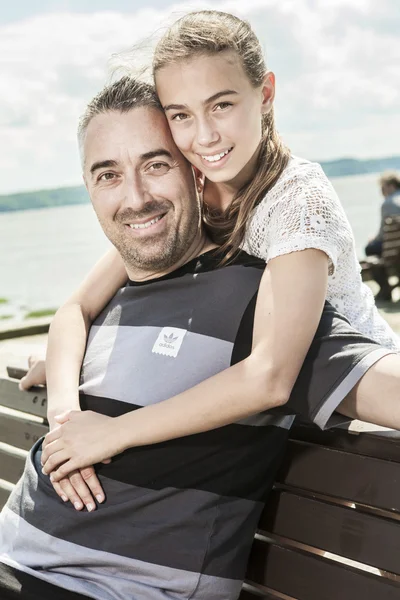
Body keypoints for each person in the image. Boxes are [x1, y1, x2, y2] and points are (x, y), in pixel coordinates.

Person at [0, 75, 399, 600]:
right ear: (89, 187)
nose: (135, 198)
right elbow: (72, 314)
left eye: (156, 165)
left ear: (196, 172)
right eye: (109, 175)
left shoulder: (264, 301)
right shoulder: (110, 296)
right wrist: (64, 389)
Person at [365, 171, 400, 301]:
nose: (381, 192)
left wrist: (373, 240)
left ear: (391, 186)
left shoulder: (388, 203)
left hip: (395, 251)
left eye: (382, 187)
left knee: (370, 248)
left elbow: (383, 234)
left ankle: (385, 289)